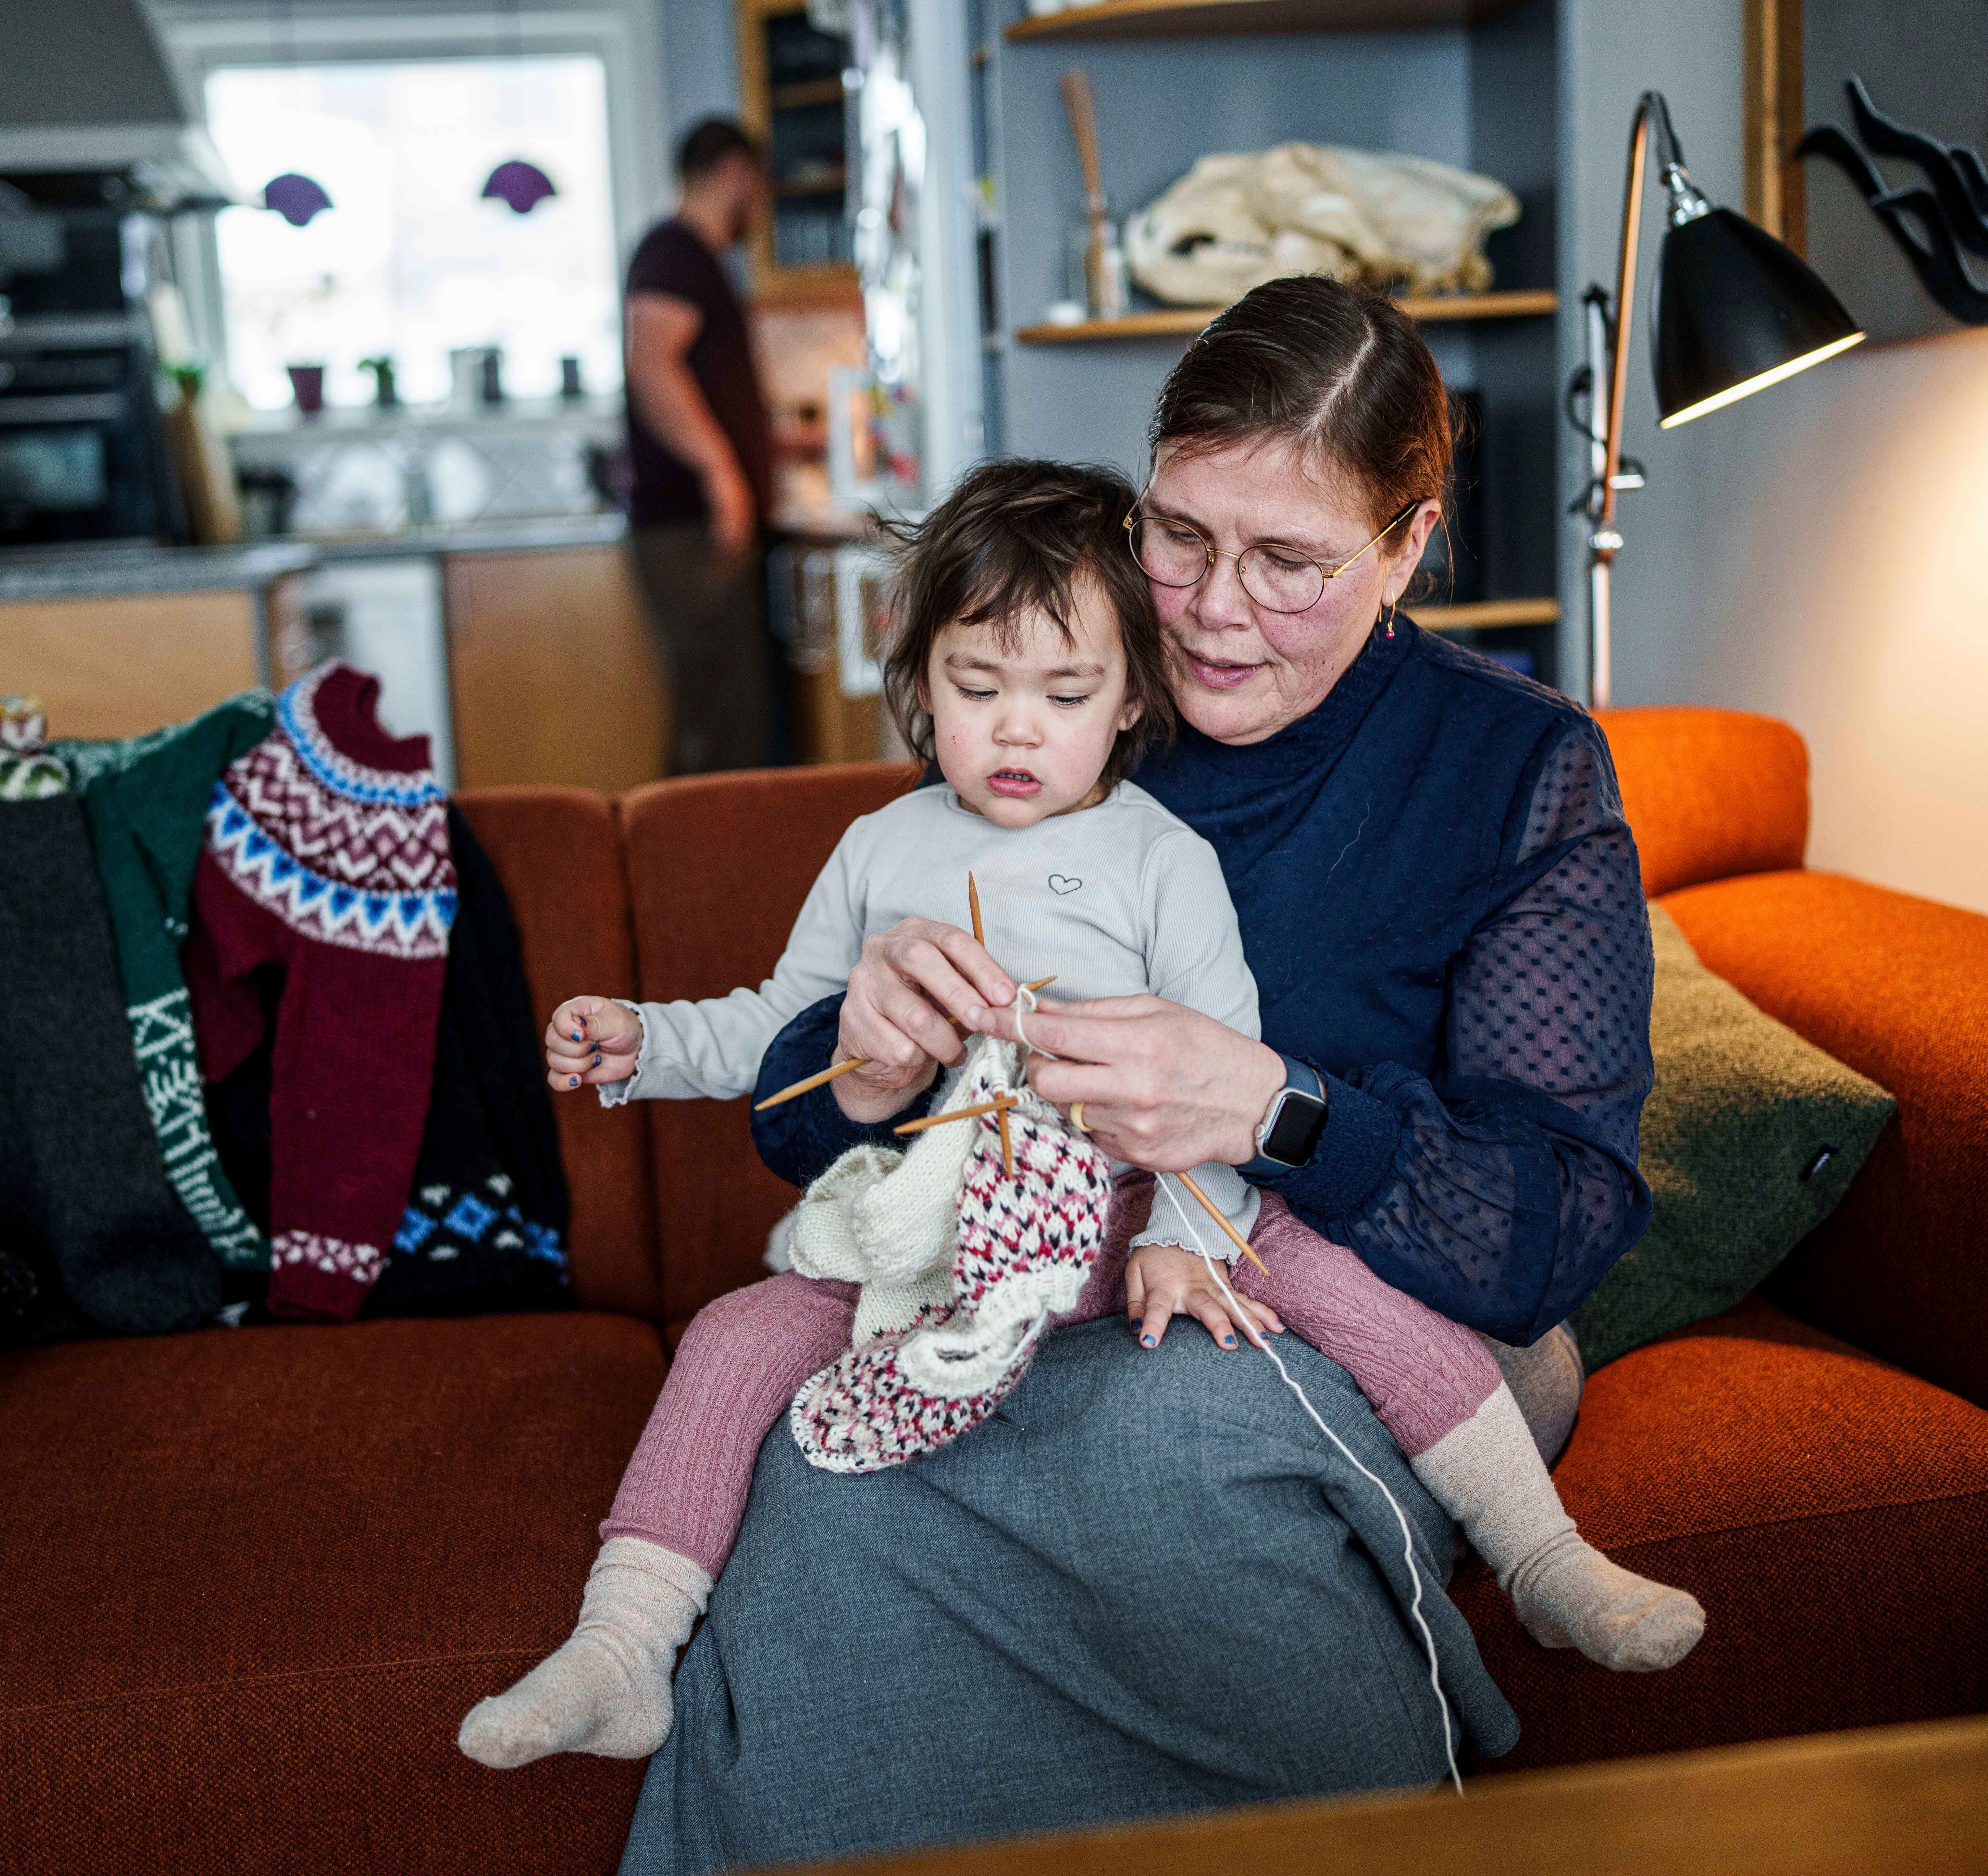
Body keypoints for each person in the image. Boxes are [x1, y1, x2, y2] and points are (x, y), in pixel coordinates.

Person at [617, 277, 1663, 1874]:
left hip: (1389, 1311)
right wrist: (864, 1053)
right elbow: (786, 1127)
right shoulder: (1068, 699)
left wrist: (1271, 1110)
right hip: (1036, 1275)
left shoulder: (1517, 769)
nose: (1211, 611)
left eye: (1293, 563)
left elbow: (1554, 1231)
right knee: (831, 1456)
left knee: (1169, 1442)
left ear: (1410, 545)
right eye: (1179, 534)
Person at [623, 119, 779, 775]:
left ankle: (706, 871)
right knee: (720, 719)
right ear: (737, 172)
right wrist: (723, 474)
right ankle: (698, 875)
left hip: (691, 521)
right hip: (687, 525)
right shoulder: (675, 251)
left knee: (722, 711)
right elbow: (652, 363)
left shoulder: (684, 255)